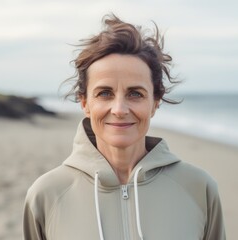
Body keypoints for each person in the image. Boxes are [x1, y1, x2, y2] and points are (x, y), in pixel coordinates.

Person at [23, 14, 226, 240]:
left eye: (135, 94)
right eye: (105, 93)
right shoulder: (47, 194)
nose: (119, 109)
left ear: (154, 103)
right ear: (85, 103)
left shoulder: (198, 188)